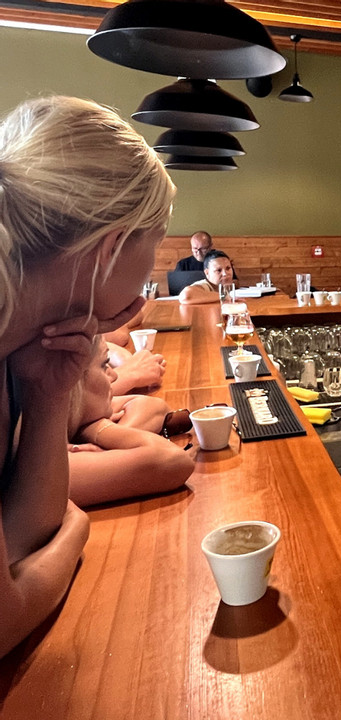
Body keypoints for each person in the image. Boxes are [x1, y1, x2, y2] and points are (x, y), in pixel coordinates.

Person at [0, 95, 175, 658]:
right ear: (111, 247)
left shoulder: (20, 349)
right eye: (153, 248)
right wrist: (76, 531)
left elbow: (24, 535)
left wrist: (49, 395)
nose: (150, 275)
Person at [67, 338, 194, 508]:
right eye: (104, 365)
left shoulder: (71, 417)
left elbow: (151, 406)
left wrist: (93, 431)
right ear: (71, 382)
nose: (115, 375)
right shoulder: (46, 462)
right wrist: (103, 431)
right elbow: (175, 462)